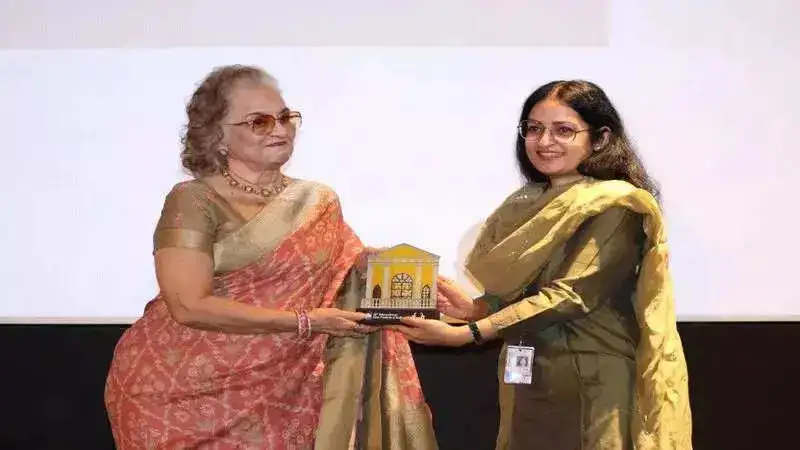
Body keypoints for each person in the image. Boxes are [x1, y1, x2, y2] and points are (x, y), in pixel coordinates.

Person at [104, 64, 438, 450]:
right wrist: (305, 321)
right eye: (259, 122)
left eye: (285, 117)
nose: (279, 129)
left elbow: (342, 269)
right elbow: (188, 305)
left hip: (287, 395)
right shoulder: (193, 199)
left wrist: (407, 272)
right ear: (217, 136)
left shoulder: (317, 200)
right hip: (177, 394)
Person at [391, 80, 692, 449]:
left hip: (589, 379)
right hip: (528, 374)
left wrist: (469, 333)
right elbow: (525, 289)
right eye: (534, 129)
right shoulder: (526, 203)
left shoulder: (616, 204)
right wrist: (476, 308)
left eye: (563, 130)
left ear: (599, 139)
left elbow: (569, 296)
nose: (544, 141)